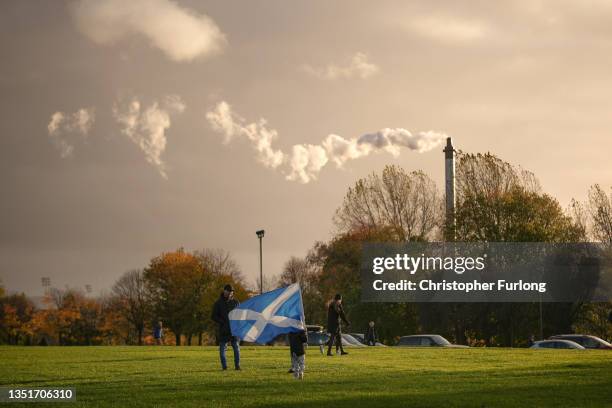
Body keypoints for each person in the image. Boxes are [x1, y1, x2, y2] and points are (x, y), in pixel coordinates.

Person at [211, 284, 241, 370]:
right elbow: (213, 316)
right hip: (223, 329)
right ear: (224, 291)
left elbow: (240, 315)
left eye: (231, 292)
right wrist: (222, 322)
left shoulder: (236, 302)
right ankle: (224, 367)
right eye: (228, 291)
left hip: (234, 330)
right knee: (222, 349)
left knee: (236, 348)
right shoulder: (218, 303)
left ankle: (237, 366)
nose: (230, 293)